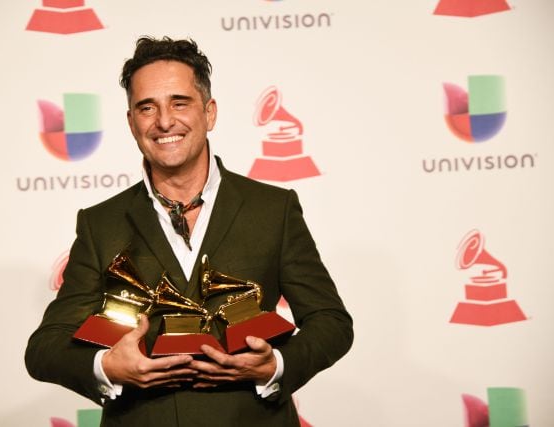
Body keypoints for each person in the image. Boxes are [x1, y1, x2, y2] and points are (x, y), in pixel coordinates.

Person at [25, 36, 353, 427]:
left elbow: (331, 321)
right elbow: (44, 349)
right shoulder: (101, 224)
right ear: (131, 122)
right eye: (147, 108)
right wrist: (107, 366)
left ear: (209, 113)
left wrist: (275, 366)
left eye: (179, 102)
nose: (165, 121)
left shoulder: (274, 209)